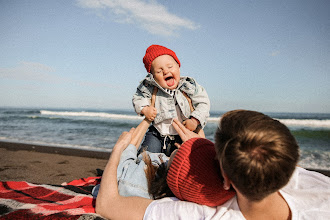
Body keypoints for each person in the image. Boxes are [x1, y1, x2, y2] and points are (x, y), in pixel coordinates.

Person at [95, 110, 330, 220]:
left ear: (227, 180)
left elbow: (107, 206)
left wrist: (118, 150)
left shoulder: (202, 214)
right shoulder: (315, 188)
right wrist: (200, 145)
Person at [132, 44, 210, 156]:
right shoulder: (149, 87)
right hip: (157, 134)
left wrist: (195, 120)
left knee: (185, 161)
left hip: (183, 133)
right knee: (146, 158)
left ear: (178, 66)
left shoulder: (189, 86)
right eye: (159, 71)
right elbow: (138, 97)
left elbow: (203, 103)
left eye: (170, 67)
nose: (165, 72)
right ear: (152, 76)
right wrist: (145, 109)